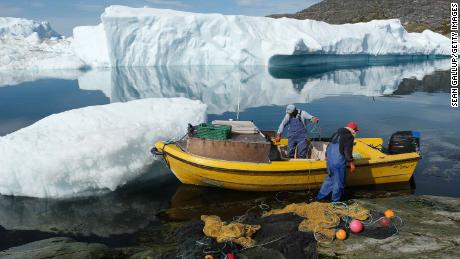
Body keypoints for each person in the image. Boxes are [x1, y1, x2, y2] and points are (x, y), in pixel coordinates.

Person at [316, 121, 359, 202]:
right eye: (356, 131)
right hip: (338, 162)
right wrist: (351, 163)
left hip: (330, 161)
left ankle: (320, 197)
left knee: (329, 179)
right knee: (338, 183)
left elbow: (328, 146)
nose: (355, 133)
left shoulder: (335, 133)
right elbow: (347, 151)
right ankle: (335, 202)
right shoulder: (349, 136)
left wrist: (326, 156)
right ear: (353, 130)